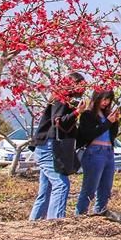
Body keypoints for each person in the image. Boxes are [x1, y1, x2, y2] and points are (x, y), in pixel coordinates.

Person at [29, 72, 88, 221]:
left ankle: (33, 224)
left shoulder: (63, 100)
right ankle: (56, 223)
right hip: (49, 147)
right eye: (81, 84)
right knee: (61, 185)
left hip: (46, 146)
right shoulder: (60, 100)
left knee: (46, 190)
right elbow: (59, 122)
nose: (84, 87)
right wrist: (77, 112)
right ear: (72, 84)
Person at [75, 89, 121, 216]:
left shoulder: (107, 115)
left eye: (108, 100)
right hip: (94, 152)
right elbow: (89, 134)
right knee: (90, 187)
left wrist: (115, 122)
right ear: (96, 98)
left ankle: (100, 212)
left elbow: (112, 135)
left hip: (108, 152)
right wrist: (108, 123)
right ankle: (80, 214)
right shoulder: (87, 115)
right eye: (104, 99)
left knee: (106, 188)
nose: (106, 103)